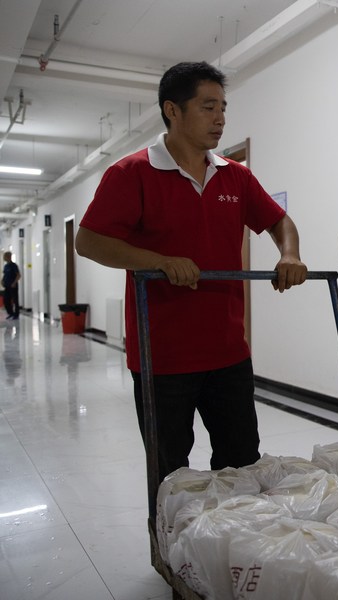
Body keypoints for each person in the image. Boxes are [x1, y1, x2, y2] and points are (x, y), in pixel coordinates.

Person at [75, 61, 308, 490]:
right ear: (173, 110)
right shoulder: (131, 173)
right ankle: (168, 536)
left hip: (228, 352)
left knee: (242, 465)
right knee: (170, 473)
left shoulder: (235, 176)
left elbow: (279, 221)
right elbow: (88, 241)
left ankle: (236, 534)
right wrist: (159, 260)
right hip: (162, 357)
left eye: (223, 108)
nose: (220, 118)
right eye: (207, 107)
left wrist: (289, 254)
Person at [2, 251, 20, 320]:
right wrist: (2, 280)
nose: (4, 258)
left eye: (5, 256)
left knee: (15, 300)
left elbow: (18, 275)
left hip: (13, 286)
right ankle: (10, 313)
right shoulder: (6, 266)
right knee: (6, 300)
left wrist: (14, 283)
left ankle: (16, 314)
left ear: (9, 257)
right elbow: (5, 275)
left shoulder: (14, 265)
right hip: (7, 286)